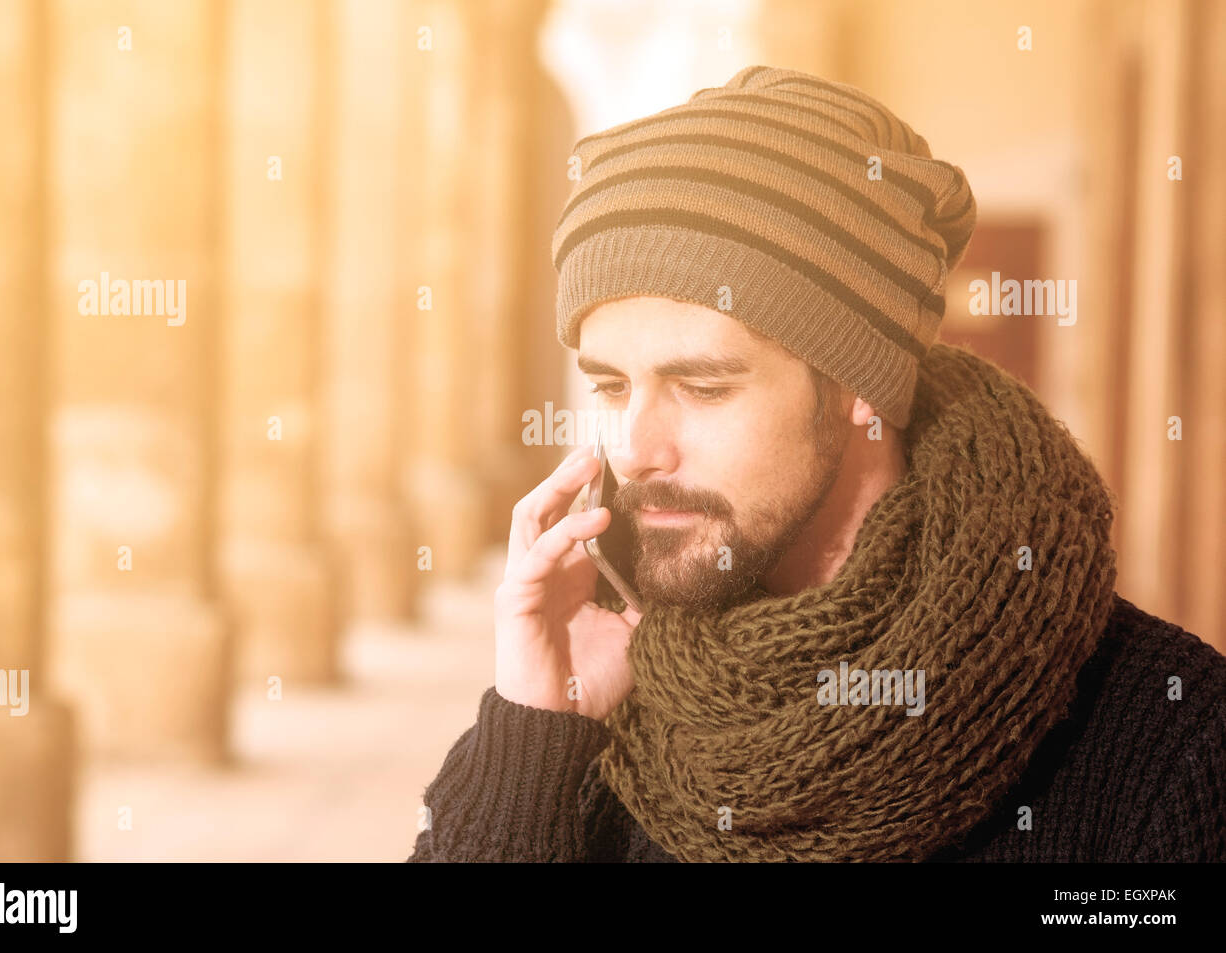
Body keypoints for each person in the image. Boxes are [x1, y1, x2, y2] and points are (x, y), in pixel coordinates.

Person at [408, 66, 1226, 862]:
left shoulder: (1168, 739)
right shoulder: (597, 711)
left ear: (861, 385)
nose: (632, 449)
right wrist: (538, 731)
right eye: (612, 385)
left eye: (701, 385)